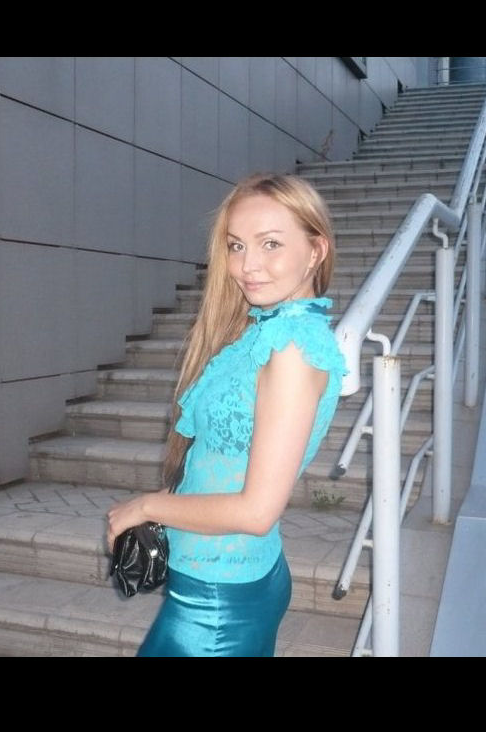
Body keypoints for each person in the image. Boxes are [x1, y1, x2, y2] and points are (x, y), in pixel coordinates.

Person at [107, 173, 347, 657]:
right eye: (237, 246)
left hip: (216, 605)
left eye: (270, 243)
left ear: (316, 250)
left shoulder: (292, 349)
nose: (247, 265)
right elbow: (220, 459)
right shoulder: (265, 331)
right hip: (221, 578)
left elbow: (257, 512)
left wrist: (146, 507)